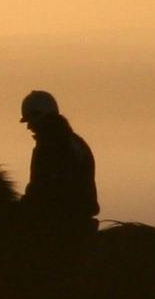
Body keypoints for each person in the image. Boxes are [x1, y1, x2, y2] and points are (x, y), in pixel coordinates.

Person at [18, 88, 97, 241]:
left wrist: (21, 208)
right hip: (76, 218)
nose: (29, 126)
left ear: (41, 116)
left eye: (30, 120)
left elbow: (44, 187)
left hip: (62, 222)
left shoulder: (52, 145)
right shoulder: (73, 141)